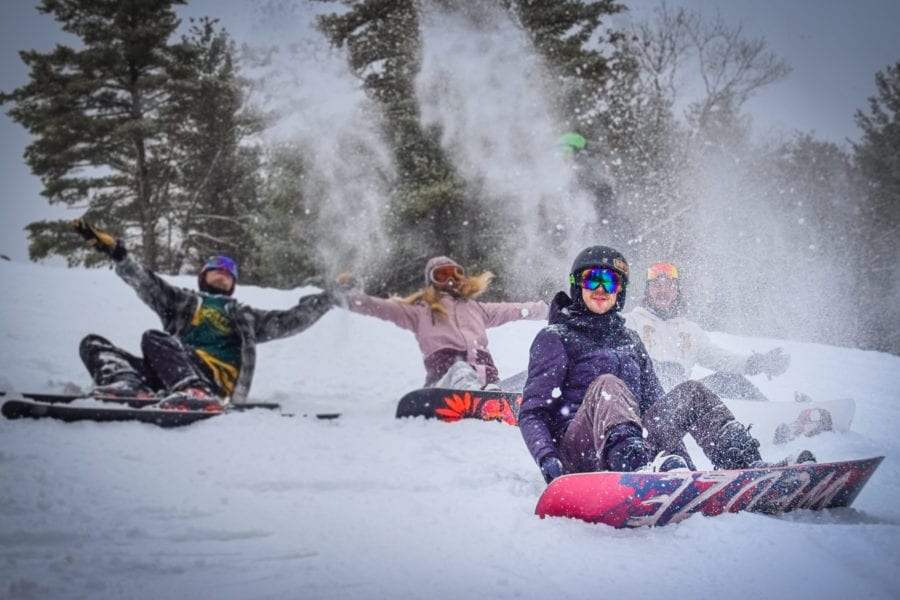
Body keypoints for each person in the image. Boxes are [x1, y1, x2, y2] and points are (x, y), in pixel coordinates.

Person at [518, 245, 813, 483]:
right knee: (608, 385)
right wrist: (547, 458)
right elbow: (532, 412)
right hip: (581, 452)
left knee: (691, 393)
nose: (600, 287)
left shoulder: (630, 340)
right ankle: (636, 468)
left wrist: (683, 463)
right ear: (576, 284)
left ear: (619, 291)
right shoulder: (555, 337)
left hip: (636, 446)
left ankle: (746, 465)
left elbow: (658, 408)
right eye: (591, 278)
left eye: (610, 281)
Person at [73, 219, 336, 409]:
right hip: (170, 371)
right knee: (93, 344)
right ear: (202, 276)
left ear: (233, 284)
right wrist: (119, 256)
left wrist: (328, 298)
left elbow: (289, 321)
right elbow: (147, 284)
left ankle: (196, 390)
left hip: (212, 378)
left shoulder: (244, 315)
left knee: (154, 339)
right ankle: (128, 386)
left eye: (229, 272)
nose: (224, 272)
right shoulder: (183, 302)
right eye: (217, 268)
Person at [340, 256, 549, 390]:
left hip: (490, 385)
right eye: (442, 275)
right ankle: (474, 393)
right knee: (460, 369)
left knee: (534, 375)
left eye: (455, 274)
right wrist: (348, 298)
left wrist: (548, 309)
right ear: (432, 282)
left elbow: (512, 310)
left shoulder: (475, 308)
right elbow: (381, 307)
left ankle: (507, 398)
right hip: (444, 383)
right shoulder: (419, 311)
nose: (450, 280)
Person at [624, 261, 790, 400]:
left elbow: (720, 358)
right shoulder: (631, 322)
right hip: (645, 398)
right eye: (656, 285)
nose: (663, 291)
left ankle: (774, 419)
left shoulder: (690, 331)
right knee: (667, 371)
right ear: (647, 290)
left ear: (676, 291)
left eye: (669, 285)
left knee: (731, 382)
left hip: (682, 399)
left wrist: (754, 363)